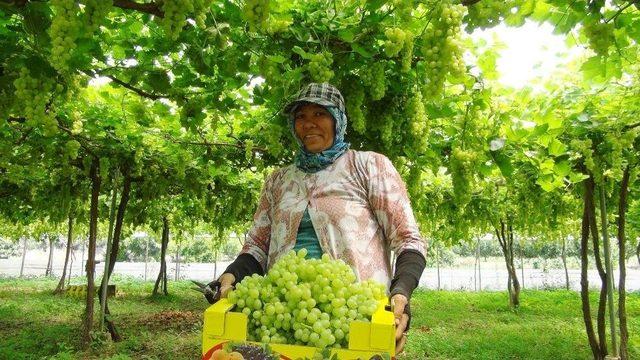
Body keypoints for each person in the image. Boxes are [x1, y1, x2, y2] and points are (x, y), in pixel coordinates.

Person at [216, 83, 426, 353]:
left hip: (357, 319)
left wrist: (401, 293)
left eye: (319, 114)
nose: (309, 124)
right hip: (286, 320)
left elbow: (409, 239)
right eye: (301, 117)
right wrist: (232, 274)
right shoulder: (278, 181)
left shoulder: (367, 166)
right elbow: (256, 247)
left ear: (338, 120)